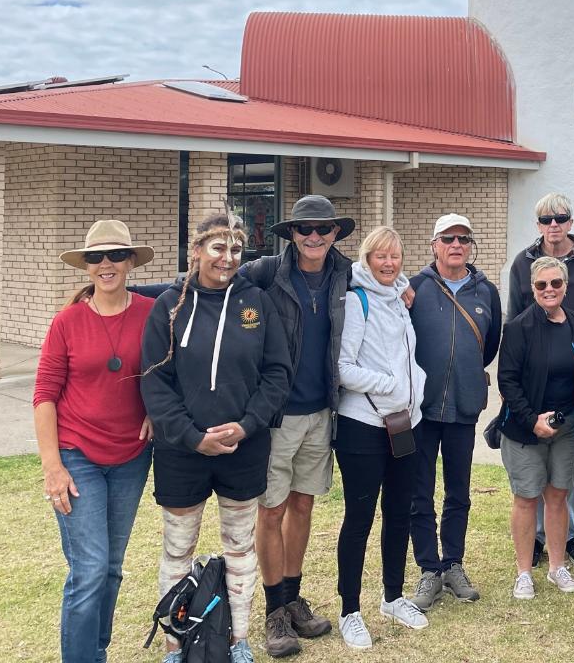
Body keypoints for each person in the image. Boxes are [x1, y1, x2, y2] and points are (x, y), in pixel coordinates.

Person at [140, 212, 293, 663]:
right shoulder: (169, 305)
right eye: (217, 248)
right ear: (196, 251)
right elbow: (154, 381)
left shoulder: (257, 304)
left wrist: (247, 425)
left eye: (236, 250)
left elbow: (277, 374)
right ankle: (174, 645)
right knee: (178, 548)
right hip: (181, 451)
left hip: (243, 448)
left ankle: (238, 640)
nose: (227, 259)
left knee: (240, 547)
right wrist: (191, 436)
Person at [33, 220, 156, 663]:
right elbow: (44, 395)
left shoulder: (151, 312)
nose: (106, 264)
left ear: (129, 262)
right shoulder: (67, 321)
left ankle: (95, 652)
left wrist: (157, 413)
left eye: (115, 256)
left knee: (110, 569)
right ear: (86, 267)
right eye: (96, 257)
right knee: (88, 570)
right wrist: (53, 466)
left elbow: (169, 371)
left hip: (131, 459)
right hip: (76, 455)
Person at [242, 195, 354, 658]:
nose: (314, 236)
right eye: (305, 229)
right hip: (276, 416)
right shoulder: (266, 273)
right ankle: (273, 611)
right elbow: (206, 283)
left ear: (334, 233)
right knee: (270, 511)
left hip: (321, 412)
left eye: (323, 229)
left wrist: (406, 286)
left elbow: (390, 278)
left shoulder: (346, 275)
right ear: (291, 233)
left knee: (302, 507)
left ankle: (292, 597)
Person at [335, 226, 430, 650]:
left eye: (395, 256)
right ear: (366, 259)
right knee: (359, 520)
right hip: (363, 426)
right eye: (380, 257)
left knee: (399, 514)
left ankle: (393, 596)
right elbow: (342, 367)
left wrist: (414, 390)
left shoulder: (398, 299)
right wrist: (390, 384)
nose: (389, 263)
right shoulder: (357, 301)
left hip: (405, 424)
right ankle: (349, 611)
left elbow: (408, 356)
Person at [506, 193, 574, 570]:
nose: (554, 224)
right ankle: (536, 538)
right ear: (537, 224)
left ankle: (570, 535)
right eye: (546, 219)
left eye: (560, 217)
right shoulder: (523, 262)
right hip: (536, 375)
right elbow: (515, 319)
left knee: (571, 470)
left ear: (570, 220)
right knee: (533, 476)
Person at [407, 214, 502, 611]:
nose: (456, 244)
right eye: (448, 238)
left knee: (458, 492)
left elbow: (491, 344)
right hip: (422, 409)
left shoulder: (487, 292)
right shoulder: (414, 289)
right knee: (419, 492)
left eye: (464, 238)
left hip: (464, 405)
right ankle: (429, 568)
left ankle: (453, 564)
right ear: (434, 244)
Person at [497, 256, 574, 600]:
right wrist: (531, 419)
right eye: (542, 285)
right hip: (526, 429)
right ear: (532, 288)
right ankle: (524, 572)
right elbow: (507, 381)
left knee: (558, 496)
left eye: (556, 283)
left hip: (567, 428)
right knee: (526, 498)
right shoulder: (519, 327)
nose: (549, 290)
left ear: (566, 286)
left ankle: (557, 566)